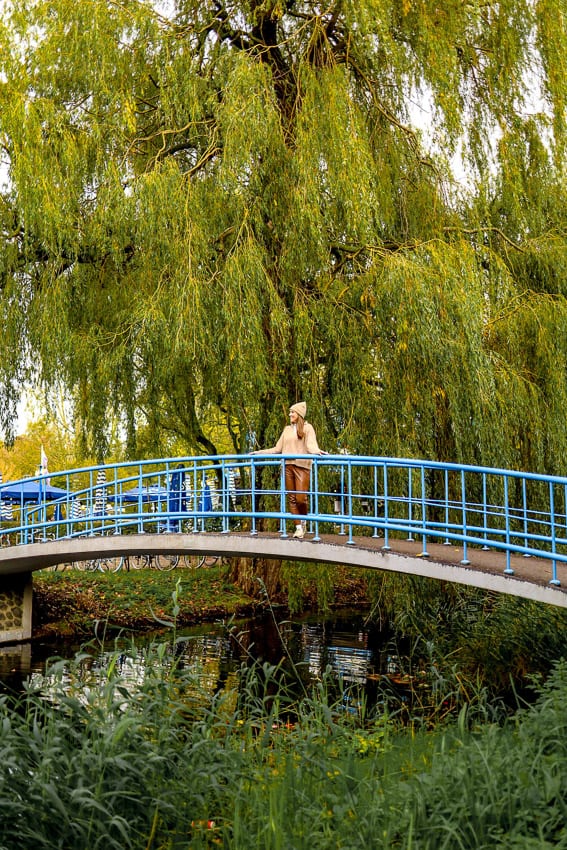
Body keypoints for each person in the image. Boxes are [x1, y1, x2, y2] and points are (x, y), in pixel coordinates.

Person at [251, 401, 325, 538]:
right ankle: (298, 528)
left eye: (293, 412)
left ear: (299, 414)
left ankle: (304, 520)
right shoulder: (286, 430)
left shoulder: (308, 428)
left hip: (302, 466)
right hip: (288, 466)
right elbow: (277, 449)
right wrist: (259, 452)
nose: (290, 414)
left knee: (301, 499)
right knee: (292, 498)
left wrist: (317, 451)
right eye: (290, 412)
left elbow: (310, 446)